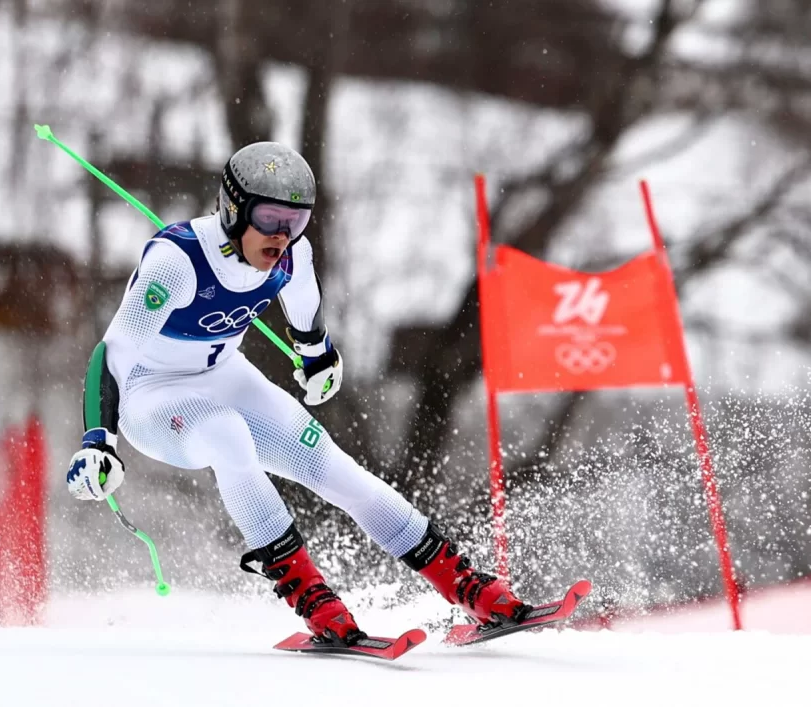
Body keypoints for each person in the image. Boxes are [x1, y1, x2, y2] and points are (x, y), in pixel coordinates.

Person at [65, 142, 529, 645]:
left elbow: (304, 307)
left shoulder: (292, 255)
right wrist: (98, 441)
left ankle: (466, 587)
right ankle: (314, 601)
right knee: (227, 435)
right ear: (232, 209)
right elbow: (112, 354)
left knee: (334, 468)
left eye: (296, 220)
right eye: (269, 218)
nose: (282, 234)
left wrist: (318, 355)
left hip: (223, 375)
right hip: (149, 395)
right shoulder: (176, 262)